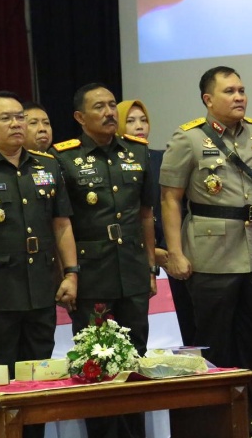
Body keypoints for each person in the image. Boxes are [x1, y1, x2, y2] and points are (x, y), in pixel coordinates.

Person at [160, 66, 252, 421]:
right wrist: (175, 253)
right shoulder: (188, 139)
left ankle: (250, 418)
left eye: (242, 90)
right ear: (208, 99)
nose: (239, 97)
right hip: (211, 255)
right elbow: (170, 199)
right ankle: (216, 420)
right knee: (216, 342)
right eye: (229, 91)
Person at [0, 91, 78, 438]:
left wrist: (71, 274)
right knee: (0, 383)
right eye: (5, 118)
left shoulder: (48, 165)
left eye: (20, 116)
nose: (16, 123)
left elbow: (62, 225)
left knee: (39, 383)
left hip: (41, 288)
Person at [53, 83, 156, 438]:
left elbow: (145, 215)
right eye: (100, 107)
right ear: (80, 117)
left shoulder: (139, 153)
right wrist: (68, 274)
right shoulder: (62, 158)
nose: (110, 112)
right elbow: (60, 223)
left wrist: (149, 268)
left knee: (135, 359)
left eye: (113, 105)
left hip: (131, 267)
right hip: (91, 270)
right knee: (95, 362)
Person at [117, 99, 195, 345]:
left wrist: (171, 249)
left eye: (143, 120)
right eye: (130, 121)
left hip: (173, 251)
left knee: (188, 326)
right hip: (137, 256)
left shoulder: (162, 158)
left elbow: (176, 205)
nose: (139, 126)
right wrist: (154, 252)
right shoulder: (113, 165)